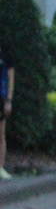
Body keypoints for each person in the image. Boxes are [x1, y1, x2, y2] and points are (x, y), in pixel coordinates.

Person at [0, 40, 13, 180]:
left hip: (1, 99)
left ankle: (1, 167)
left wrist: (9, 100)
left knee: (1, 134)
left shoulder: (6, 56)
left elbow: (11, 78)